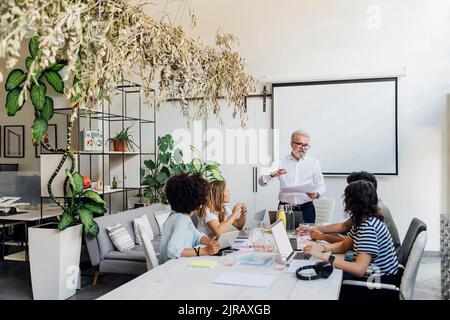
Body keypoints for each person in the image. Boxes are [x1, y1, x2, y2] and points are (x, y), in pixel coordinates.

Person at [303, 180, 400, 299]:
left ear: (352, 203)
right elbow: (345, 245)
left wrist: (324, 257)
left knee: (322, 287)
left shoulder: (368, 227)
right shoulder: (363, 219)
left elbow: (359, 269)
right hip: (373, 277)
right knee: (326, 272)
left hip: (376, 285)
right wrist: (322, 248)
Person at [297, 171, 401, 253]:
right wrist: (313, 230)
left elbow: (354, 251)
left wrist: (322, 241)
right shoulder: (367, 209)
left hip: (378, 266)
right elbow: (346, 229)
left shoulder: (372, 217)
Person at [258, 129, 325, 223]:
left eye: (306, 145)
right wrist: (272, 175)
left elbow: (321, 186)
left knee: (306, 237)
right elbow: (262, 182)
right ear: (292, 144)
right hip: (284, 209)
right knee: (282, 236)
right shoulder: (280, 162)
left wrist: (316, 194)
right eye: (300, 144)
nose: (303, 148)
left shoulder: (314, 163)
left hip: (306, 209)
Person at [159, 173, 221, 264]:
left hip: (175, 265)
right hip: (172, 267)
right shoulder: (182, 220)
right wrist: (205, 251)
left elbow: (197, 236)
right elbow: (172, 251)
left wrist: (211, 242)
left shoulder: (179, 216)